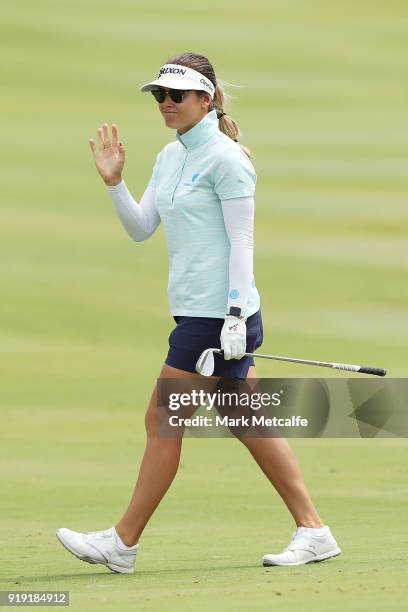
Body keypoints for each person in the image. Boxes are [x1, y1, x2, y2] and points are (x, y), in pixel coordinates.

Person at [56, 52, 341, 574]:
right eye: (158, 96)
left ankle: (122, 543)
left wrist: (234, 316)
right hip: (195, 312)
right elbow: (142, 228)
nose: (165, 104)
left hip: (218, 316)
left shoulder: (228, 160)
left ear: (205, 100)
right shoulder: (170, 157)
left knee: (163, 419)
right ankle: (315, 530)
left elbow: (242, 240)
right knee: (244, 419)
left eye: (176, 96)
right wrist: (114, 182)